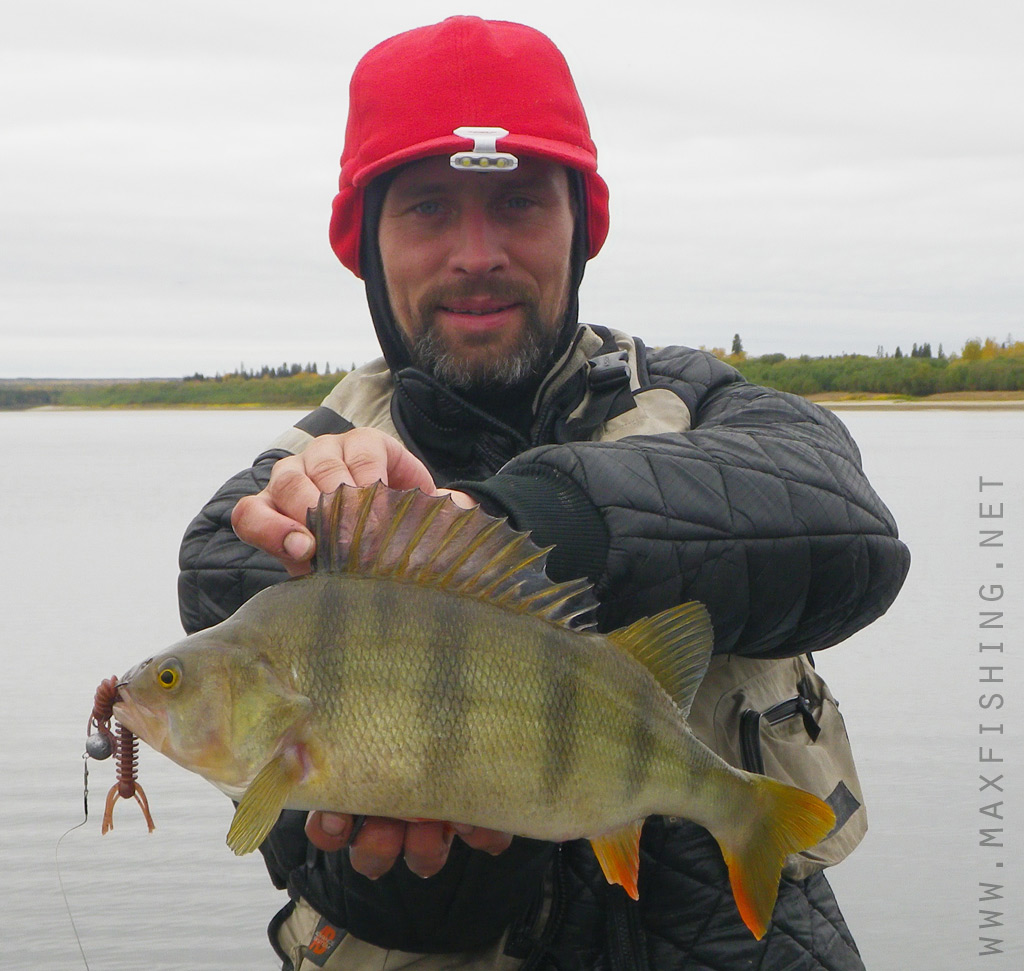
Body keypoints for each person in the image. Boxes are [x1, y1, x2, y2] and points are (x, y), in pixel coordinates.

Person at [178, 16, 909, 971]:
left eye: (519, 203)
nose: (475, 252)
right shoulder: (275, 514)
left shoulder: (703, 407)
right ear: (363, 242)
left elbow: (846, 528)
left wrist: (523, 524)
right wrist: (427, 861)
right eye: (428, 209)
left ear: (582, 227)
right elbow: (318, 858)